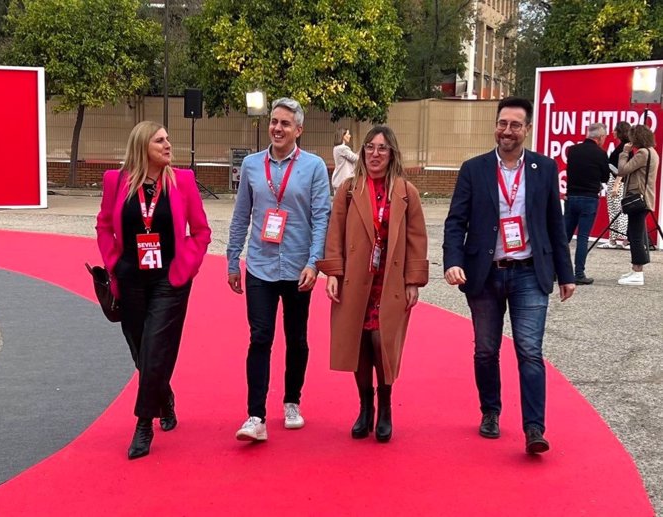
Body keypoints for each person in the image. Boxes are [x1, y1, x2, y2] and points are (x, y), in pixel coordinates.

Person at [442, 97, 575, 455]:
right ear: (495, 125)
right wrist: (452, 261)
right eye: (502, 123)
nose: (507, 131)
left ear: (526, 129)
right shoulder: (475, 169)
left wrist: (566, 273)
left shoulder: (544, 169)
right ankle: (490, 411)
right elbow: (456, 221)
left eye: (515, 125)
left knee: (530, 351)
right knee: (486, 350)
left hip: (529, 273)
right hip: (484, 275)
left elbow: (554, 225)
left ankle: (534, 427)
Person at [96, 121, 212, 459]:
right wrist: (115, 263)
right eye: (159, 140)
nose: (168, 145)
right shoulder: (115, 182)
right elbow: (104, 225)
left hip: (169, 279)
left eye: (168, 139)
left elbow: (201, 231)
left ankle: (143, 424)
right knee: (140, 350)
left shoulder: (183, 182)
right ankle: (165, 397)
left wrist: (186, 266)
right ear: (142, 146)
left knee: (156, 347)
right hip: (130, 277)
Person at [227, 97, 331, 442]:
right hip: (260, 265)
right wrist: (232, 259)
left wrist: (314, 263)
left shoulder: (314, 166)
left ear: (298, 129)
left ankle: (292, 402)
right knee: (260, 337)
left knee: (297, 338)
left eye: (286, 123)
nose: (277, 128)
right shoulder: (253, 166)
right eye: (274, 121)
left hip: (299, 268)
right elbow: (242, 215)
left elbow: (321, 217)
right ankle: (255, 415)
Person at [317, 126, 428, 443]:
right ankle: (365, 408)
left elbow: (416, 239)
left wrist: (413, 281)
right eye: (369, 148)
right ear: (362, 152)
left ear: (392, 153)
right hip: (356, 279)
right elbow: (334, 233)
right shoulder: (349, 189)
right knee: (359, 345)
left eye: (382, 148)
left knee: (383, 344)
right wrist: (334, 274)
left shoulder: (406, 192)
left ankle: (386, 406)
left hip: (388, 281)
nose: (375, 154)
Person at [563, 122, 610, 284]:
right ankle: (579, 274)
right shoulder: (601, 154)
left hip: (571, 197)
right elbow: (605, 177)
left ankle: (555, 271)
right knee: (582, 237)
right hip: (589, 198)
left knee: (564, 237)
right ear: (600, 137)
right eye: (604, 137)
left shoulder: (573, 150)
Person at [616, 124, 659, 286]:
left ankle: (638, 272)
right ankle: (635, 268)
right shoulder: (652, 152)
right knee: (634, 233)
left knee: (635, 235)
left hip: (638, 199)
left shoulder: (642, 153)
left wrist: (625, 153)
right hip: (644, 198)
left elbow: (623, 170)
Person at [598, 121, 631, 249]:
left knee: (620, 210)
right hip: (614, 180)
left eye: (615, 130)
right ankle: (613, 239)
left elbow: (623, 168)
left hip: (619, 181)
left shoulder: (625, 148)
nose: (613, 132)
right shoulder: (621, 146)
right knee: (612, 209)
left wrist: (617, 183)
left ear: (620, 132)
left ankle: (625, 240)